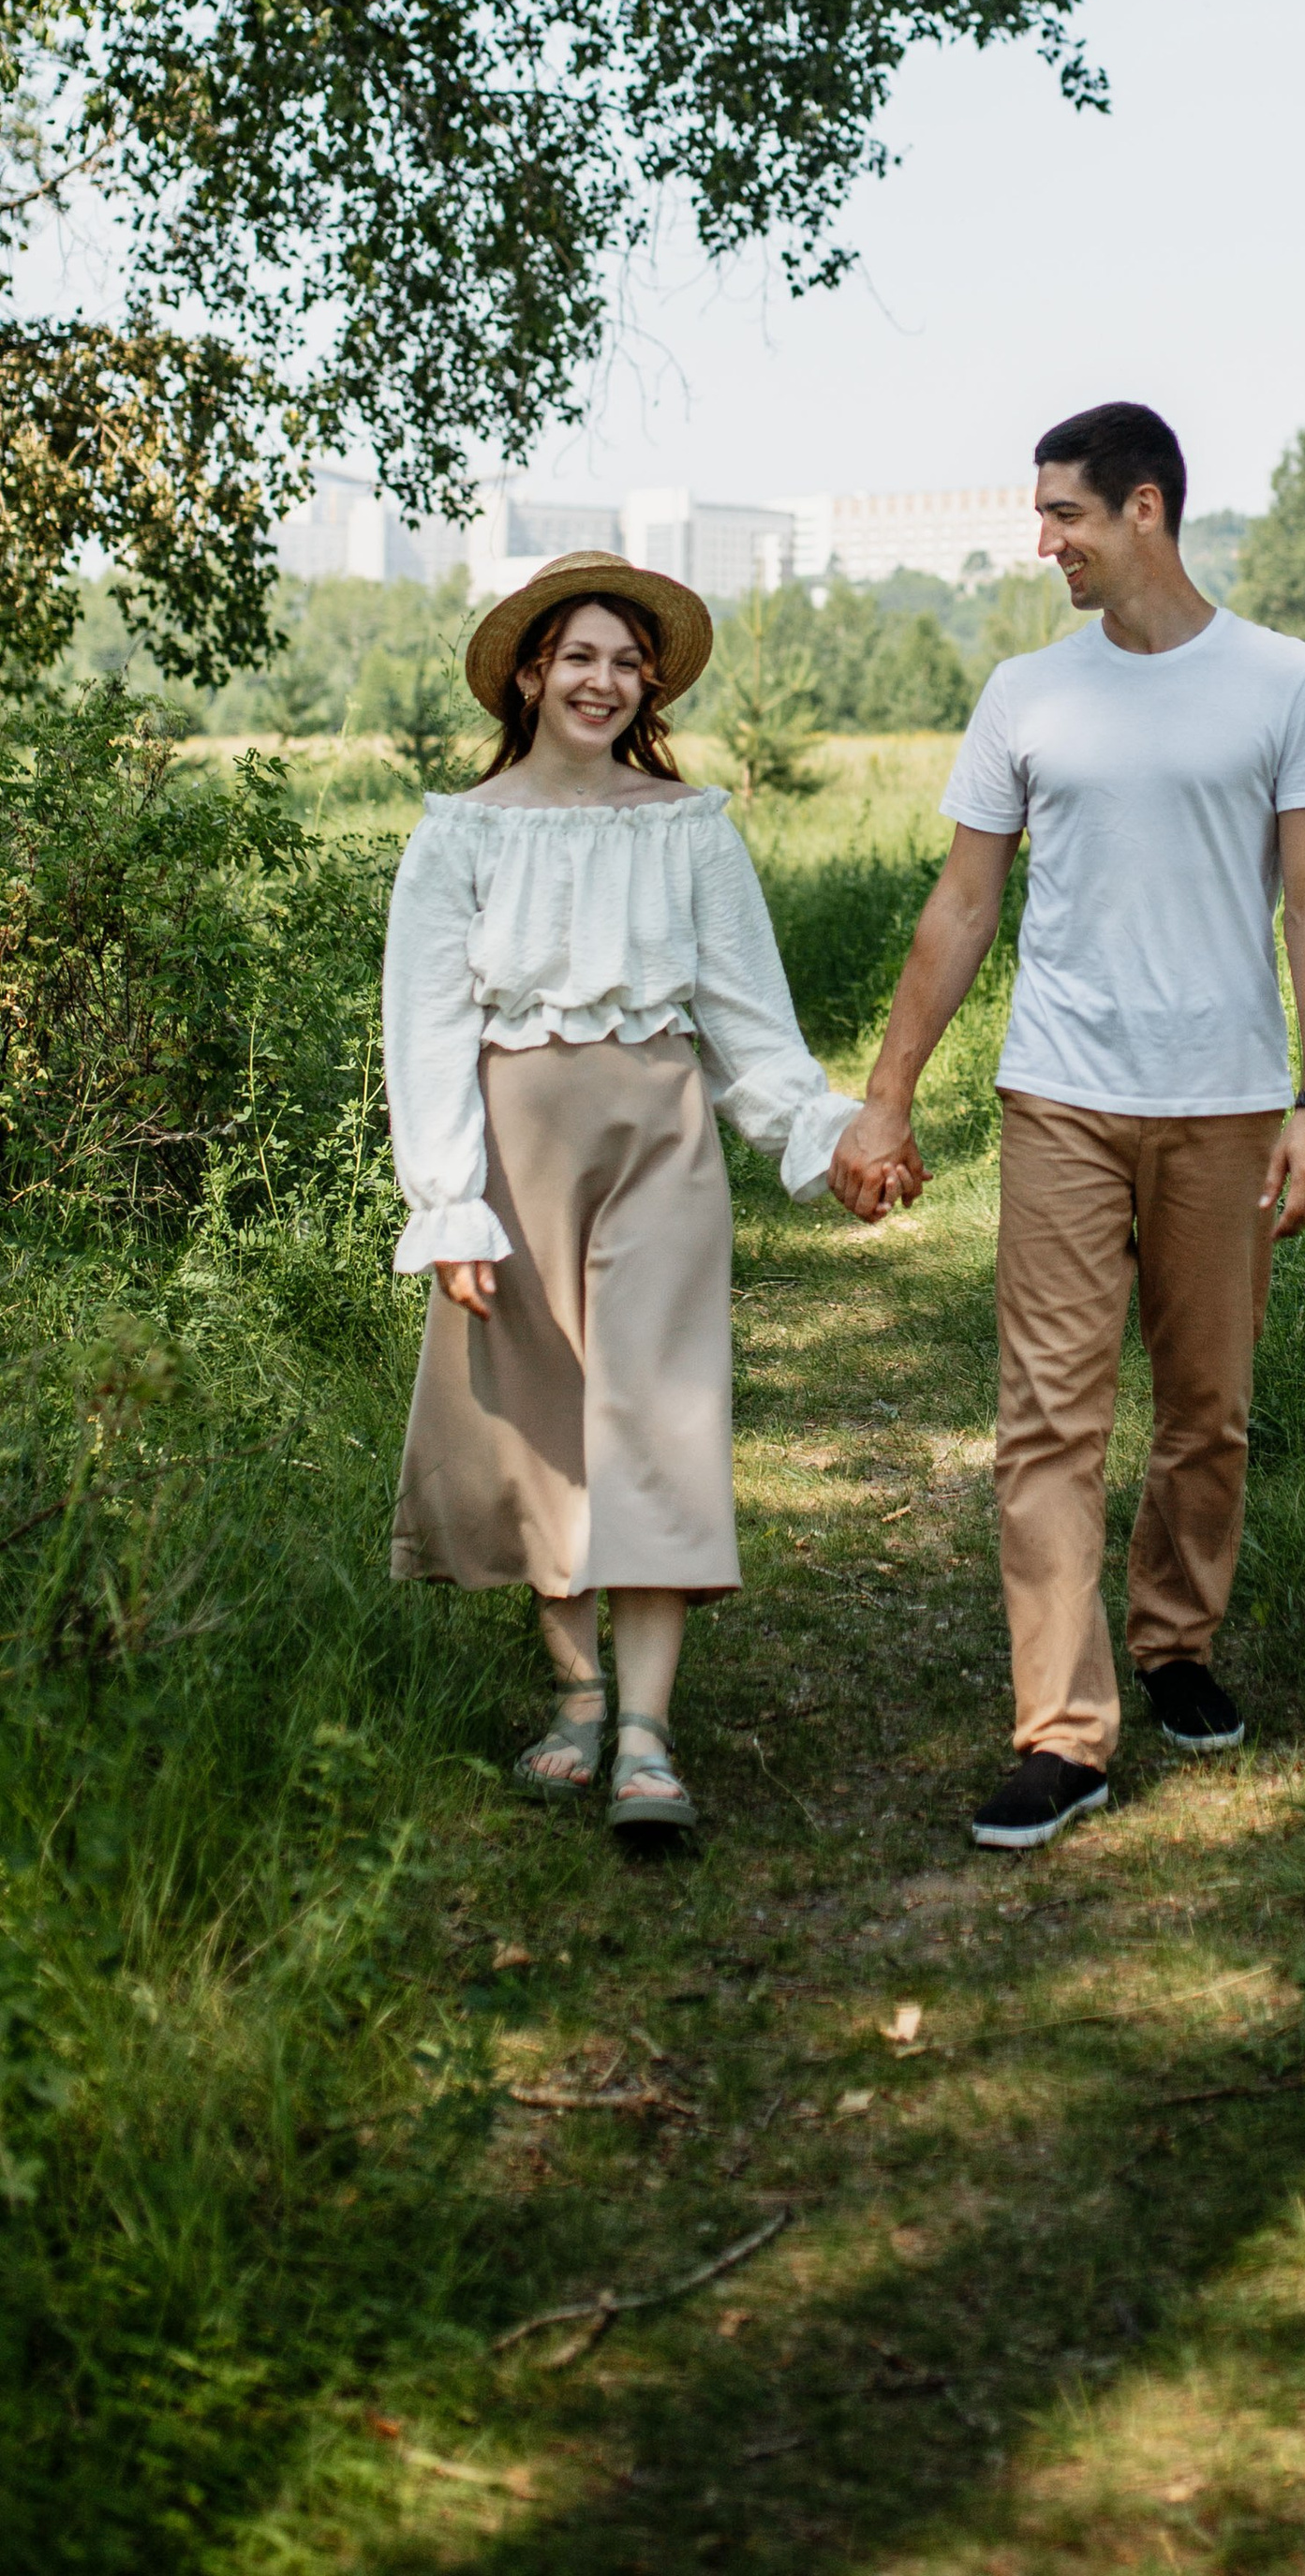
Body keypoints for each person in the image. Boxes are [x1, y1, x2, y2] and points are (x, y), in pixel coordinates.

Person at [829, 402, 1305, 1851]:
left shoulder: (1283, 680)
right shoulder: (1025, 691)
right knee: (1049, 1419)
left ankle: (1175, 1641)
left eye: (1063, 512)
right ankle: (1063, 1732)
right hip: (1060, 1093)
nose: (1044, 541)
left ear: (1146, 509)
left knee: (1208, 1409)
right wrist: (889, 1089)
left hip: (1230, 1101)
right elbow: (962, 903)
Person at [381, 551, 857, 1833]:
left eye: (626, 662)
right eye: (579, 656)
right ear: (532, 672)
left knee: (660, 1416)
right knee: (543, 1421)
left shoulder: (690, 828)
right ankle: (579, 1696)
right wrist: (447, 1199)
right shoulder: (459, 833)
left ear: (647, 686)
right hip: (514, 1154)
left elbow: (752, 1021)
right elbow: (424, 1025)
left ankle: (649, 1732)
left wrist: (826, 1137)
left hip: (661, 1145)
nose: (603, 680)